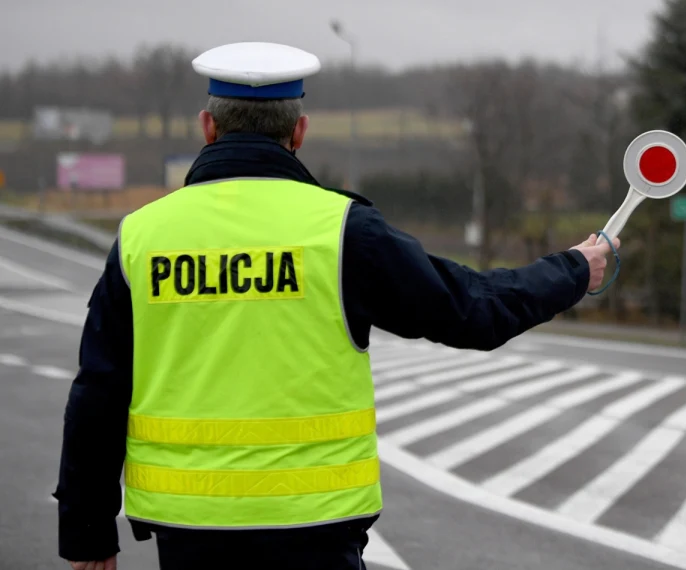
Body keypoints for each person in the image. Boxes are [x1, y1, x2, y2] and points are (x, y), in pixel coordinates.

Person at [54, 42, 619, 570]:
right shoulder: (344, 231)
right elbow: (470, 310)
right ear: (299, 132)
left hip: (189, 530)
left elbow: (98, 389)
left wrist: (86, 529)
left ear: (208, 127)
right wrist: (572, 270)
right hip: (315, 529)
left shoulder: (142, 236)